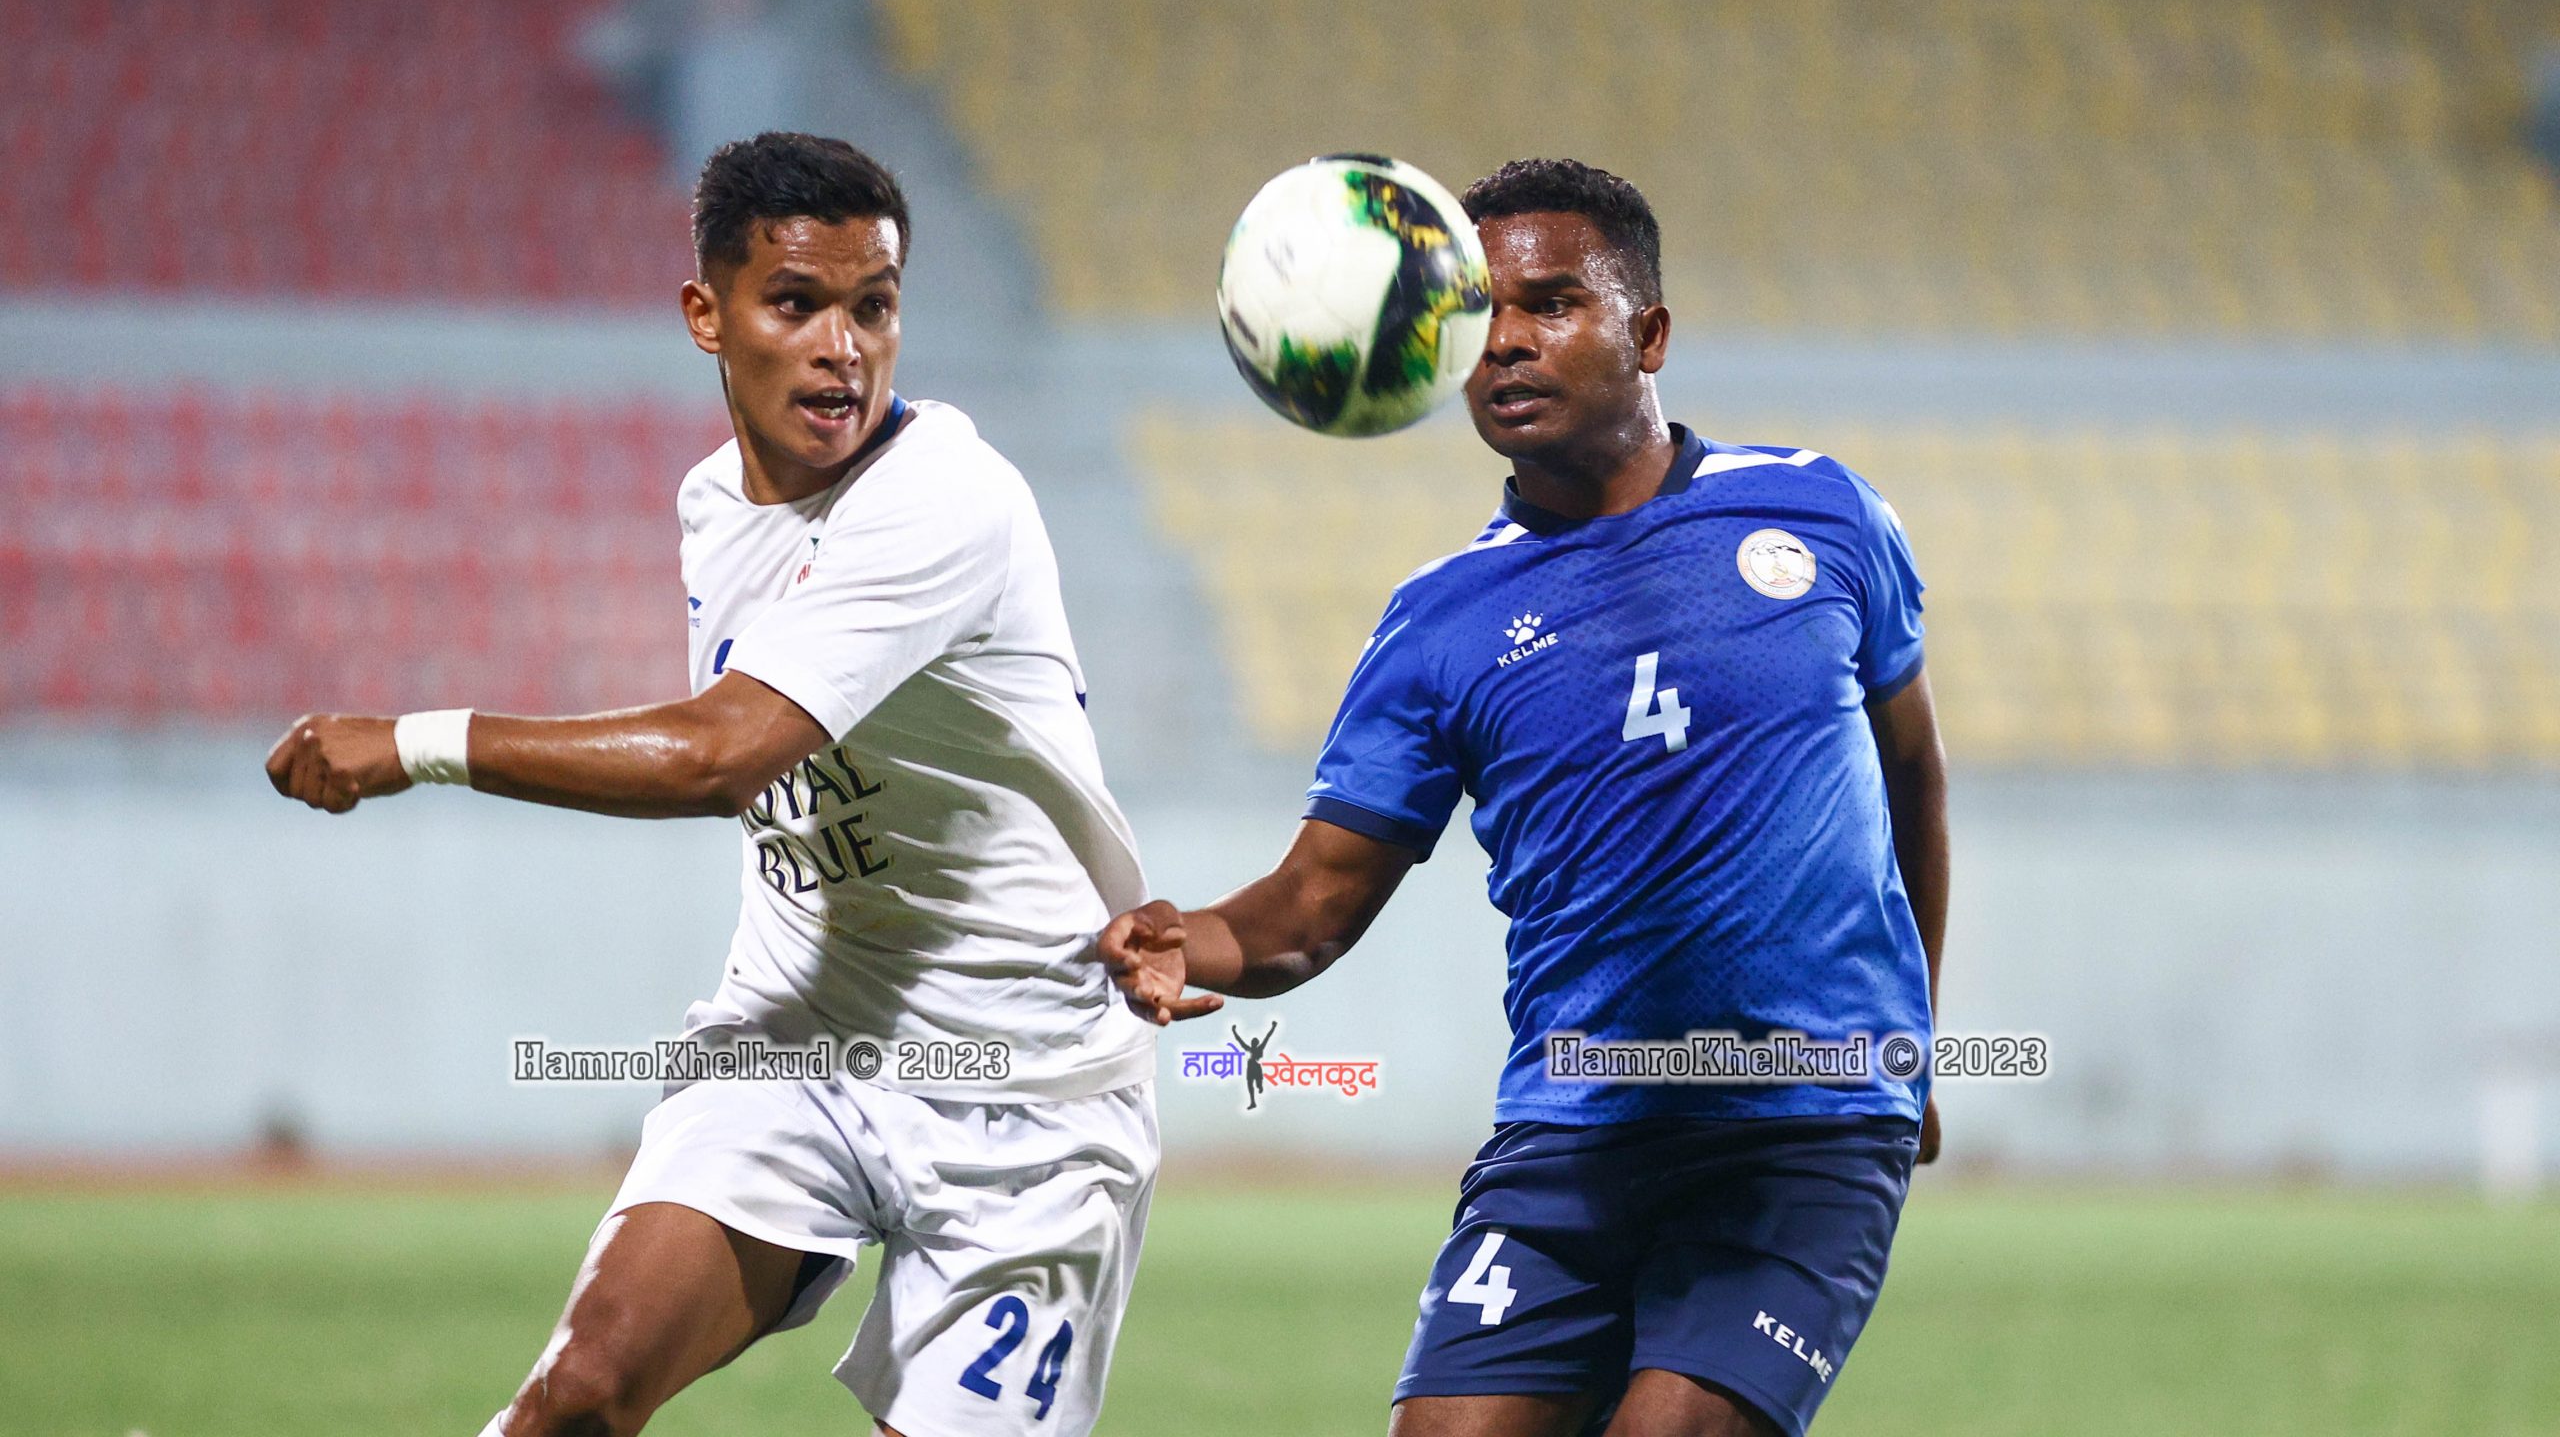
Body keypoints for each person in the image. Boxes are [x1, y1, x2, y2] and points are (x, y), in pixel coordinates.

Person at [265, 132, 1157, 1437]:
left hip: (1026, 1100)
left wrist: (413, 742)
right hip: (800, 1047)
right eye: (796, 304)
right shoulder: (711, 507)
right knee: (577, 1395)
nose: (842, 349)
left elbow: (719, 754)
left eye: (873, 307)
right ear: (707, 315)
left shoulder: (948, 499)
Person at [1096, 158, 1948, 1437]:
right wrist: (1189, 939)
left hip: (1801, 1121)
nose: (1502, 341)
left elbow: (1912, 776)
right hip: (1571, 1125)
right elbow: (1311, 905)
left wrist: (1913, 1034)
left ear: (1647, 334)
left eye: (1550, 304)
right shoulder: (1439, 621)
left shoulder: (1820, 513)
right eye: (1476, 314)